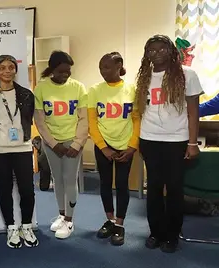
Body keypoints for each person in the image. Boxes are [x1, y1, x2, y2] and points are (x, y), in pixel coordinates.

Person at [136, 34, 202, 253]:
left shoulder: (186, 74)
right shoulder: (145, 76)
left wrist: (192, 143)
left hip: (176, 140)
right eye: (151, 51)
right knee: (153, 189)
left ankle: (172, 235)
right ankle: (156, 232)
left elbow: (194, 111)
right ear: (147, 55)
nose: (156, 54)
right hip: (150, 139)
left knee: (174, 189)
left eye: (162, 49)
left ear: (171, 51)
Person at [0, 55, 38, 249]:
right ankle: (12, 227)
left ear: (15, 70)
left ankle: (26, 226)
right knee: (5, 189)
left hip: (22, 148)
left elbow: (29, 119)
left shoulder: (27, 94)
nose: (7, 71)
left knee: (27, 190)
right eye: (2, 68)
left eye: (11, 67)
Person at [33, 51, 88, 240]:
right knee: (57, 179)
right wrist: (53, 144)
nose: (65, 74)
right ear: (52, 69)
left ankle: (69, 220)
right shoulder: (41, 89)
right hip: (52, 144)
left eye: (68, 71)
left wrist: (78, 143)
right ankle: (62, 214)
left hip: (73, 142)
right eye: (61, 71)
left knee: (70, 179)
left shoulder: (79, 88)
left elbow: (83, 118)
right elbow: (40, 121)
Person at [88, 52, 140, 246]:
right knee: (105, 183)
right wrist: (103, 147)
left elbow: (137, 119)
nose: (103, 71)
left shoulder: (132, 89)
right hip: (103, 146)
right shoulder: (94, 90)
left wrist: (132, 146)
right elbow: (92, 122)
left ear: (119, 66)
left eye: (107, 67)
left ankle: (120, 224)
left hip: (125, 146)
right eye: (101, 67)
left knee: (122, 184)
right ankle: (109, 220)